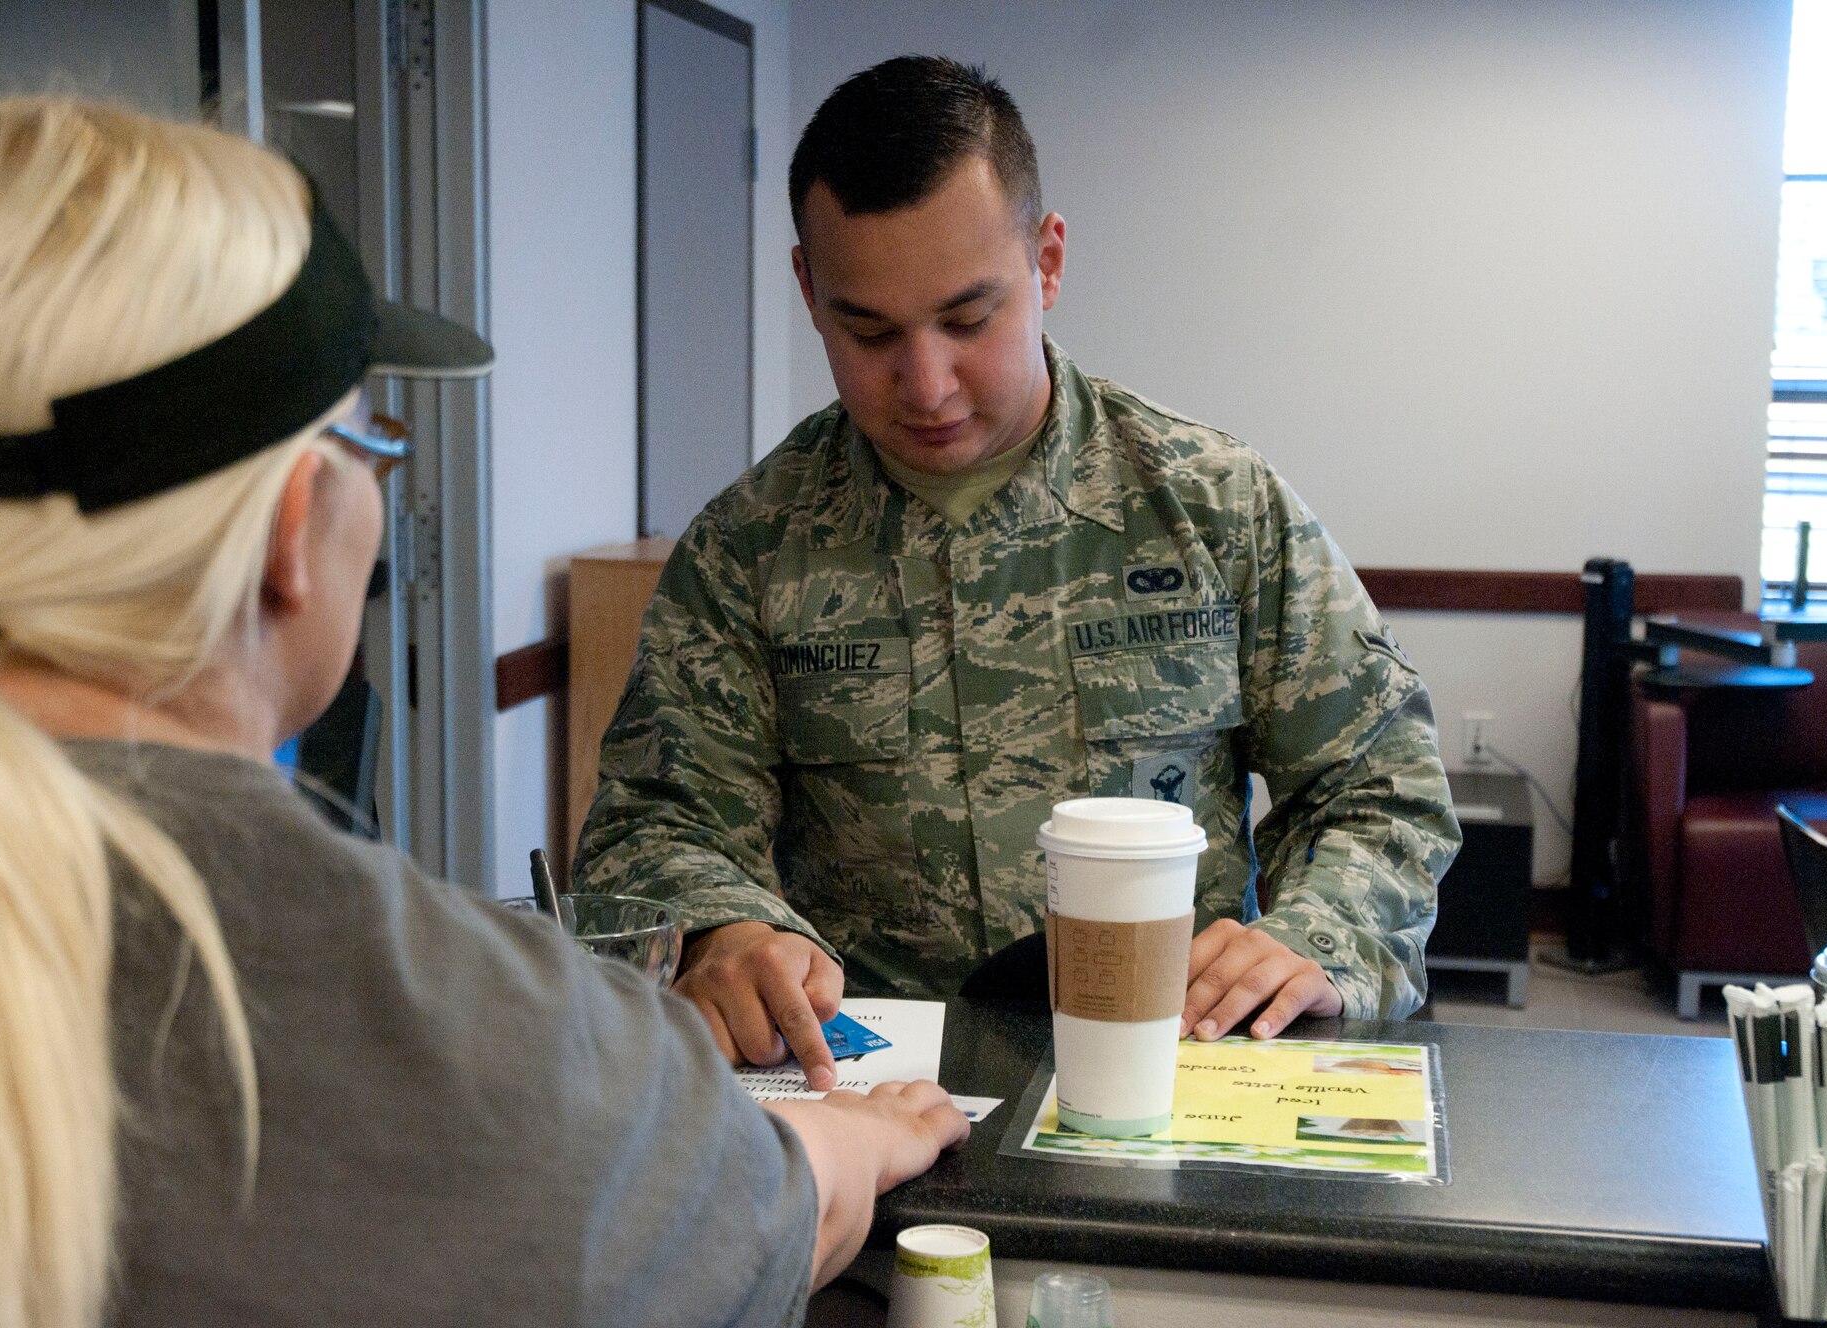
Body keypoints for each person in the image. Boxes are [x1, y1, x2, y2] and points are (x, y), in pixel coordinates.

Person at [0, 97, 965, 1328]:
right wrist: (848, 1144)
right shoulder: (477, 1034)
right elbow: (752, 1218)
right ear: (290, 534)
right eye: (373, 434)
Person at [575, 56, 1459, 1090]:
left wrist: (1317, 934)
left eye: (965, 318)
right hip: (869, 1098)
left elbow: (1377, 781)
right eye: (867, 331)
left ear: (1044, 264)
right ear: (808, 290)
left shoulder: (1211, 505)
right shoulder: (749, 549)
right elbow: (654, 819)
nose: (925, 382)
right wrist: (724, 931)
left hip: (1173, 1067)